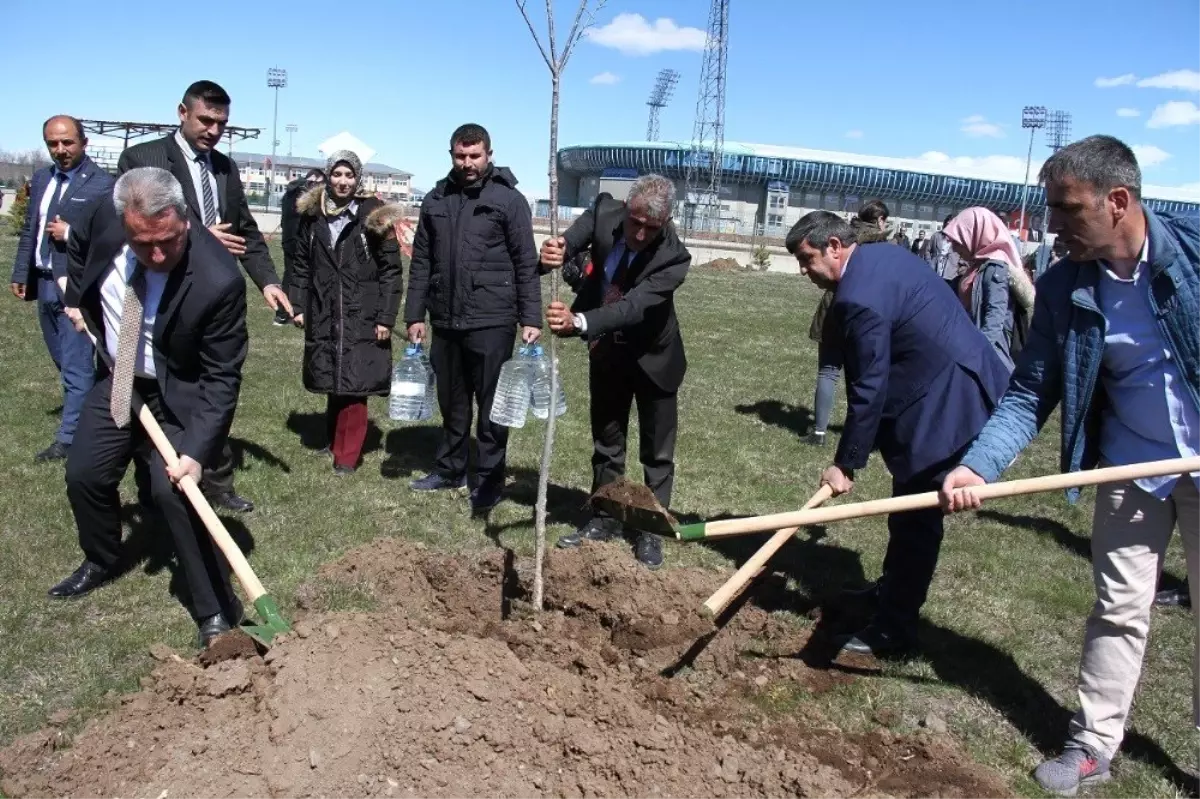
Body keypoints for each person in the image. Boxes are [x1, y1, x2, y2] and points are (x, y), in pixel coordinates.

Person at [939, 135, 1200, 795]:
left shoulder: (1193, 255)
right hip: (1128, 470)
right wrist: (979, 467)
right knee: (1118, 607)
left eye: (1067, 208)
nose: (1052, 224)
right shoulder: (1063, 285)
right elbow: (1030, 391)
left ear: (1118, 201)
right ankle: (1092, 742)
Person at [787, 210, 1010, 657]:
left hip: (947, 403)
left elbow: (870, 388)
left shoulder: (859, 298)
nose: (804, 272)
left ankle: (894, 628)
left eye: (808, 259)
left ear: (834, 245)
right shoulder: (881, 256)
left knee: (916, 520)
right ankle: (889, 593)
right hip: (948, 382)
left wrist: (846, 462)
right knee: (906, 511)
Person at [54, 167, 246, 647]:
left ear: (183, 219)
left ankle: (216, 608)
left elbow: (221, 379)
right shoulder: (103, 215)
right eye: (143, 244)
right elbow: (79, 248)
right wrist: (77, 298)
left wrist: (197, 452)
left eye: (167, 241)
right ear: (124, 223)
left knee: (174, 492)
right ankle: (102, 556)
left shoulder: (218, 279)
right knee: (85, 475)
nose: (157, 255)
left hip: (180, 392)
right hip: (119, 375)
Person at [117, 79, 289, 514]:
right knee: (146, 390)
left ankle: (216, 479)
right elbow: (129, 221)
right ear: (182, 112)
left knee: (213, 388)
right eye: (205, 120)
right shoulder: (144, 157)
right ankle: (150, 481)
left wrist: (268, 281)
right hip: (157, 292)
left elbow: (246, 230)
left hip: (210, 299)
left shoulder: (226, 169)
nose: (213, 130)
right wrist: (195, 236)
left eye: (221, 123)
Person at [541, 175, 690, 570]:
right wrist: (557, 250)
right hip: (607, 353)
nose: (640, 234)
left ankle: (649, 529)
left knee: (657, 454)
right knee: (607, 442)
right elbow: (570, 241)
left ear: (668, 221)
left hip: (654, 359)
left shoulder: (675, 257)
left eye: (651, 228)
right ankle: (605, 517)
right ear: (626, 209)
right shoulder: (604, 210)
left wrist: (580, 321)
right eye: (635, 222)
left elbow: (633, 307)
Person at [404, 124, 542, 512]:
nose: (467, 163)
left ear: (489, 154)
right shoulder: (435, 199)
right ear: (451, 155)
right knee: (453, 401)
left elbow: (524, 262)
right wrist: (414, 314)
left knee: (493, 405)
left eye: (474, 156)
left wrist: (530, 316)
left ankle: (487, 479)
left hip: (492, 319)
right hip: (445, 320)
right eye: (460, 156)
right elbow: (421, 263)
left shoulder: (509, 200)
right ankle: (450, 469)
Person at [289, 151, 403, 475]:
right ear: (328, 175)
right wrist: (297, 304)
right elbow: (300, 263)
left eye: (349, 175)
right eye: (337, 174)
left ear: (358, 179)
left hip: (363, 309)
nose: (343, 181)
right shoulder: (312, 216)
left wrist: (385, 317)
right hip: (324, 306)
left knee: (356, 382)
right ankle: (333, 439)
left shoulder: (375, 216)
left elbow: (392, 271)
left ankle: (348, 454)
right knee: (334, 375)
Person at [9, 116, 114, 462]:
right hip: (43, 280)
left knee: (76, 363)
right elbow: (30, 229)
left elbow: (110, 239)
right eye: (53, 143)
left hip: (76, 285)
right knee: (62, 358)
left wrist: (71, 233)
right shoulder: (41, 179)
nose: (61, 150)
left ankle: (70, 439)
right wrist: (21, 271)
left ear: (84, 143)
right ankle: (99, 408)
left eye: (67, 142)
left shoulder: (103, 185)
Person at [807, 200, 890, 447]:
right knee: (861, 376)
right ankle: (864, 434)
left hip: (833, 306)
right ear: (880, 220)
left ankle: (819, 432)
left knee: (828, 371)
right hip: (865, 309)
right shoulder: (881, 243)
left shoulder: (843, 234)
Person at [941, 207, 1030, 371]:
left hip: (987, 358)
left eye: (958, 242)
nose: (954, 248)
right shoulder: (977, 265)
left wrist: (978, 355)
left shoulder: (995, 267)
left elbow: (995, 317)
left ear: (974, 235)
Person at [276, 168, 325, 326]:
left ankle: (283, 314)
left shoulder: (289, 191)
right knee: (300, 275)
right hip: (299, 239)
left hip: (288, 238)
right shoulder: (305, 194)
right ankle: (291, 312)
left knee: (290, 275)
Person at [924, 214, 962, 283]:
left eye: (952, 224)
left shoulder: (959, 239)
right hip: (935, 270)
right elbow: (927, 250)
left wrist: (959, 267)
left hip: (951, 274)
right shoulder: (936, 236)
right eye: (948, 224)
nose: (949, 226)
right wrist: (930, 263)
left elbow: (963, 255)